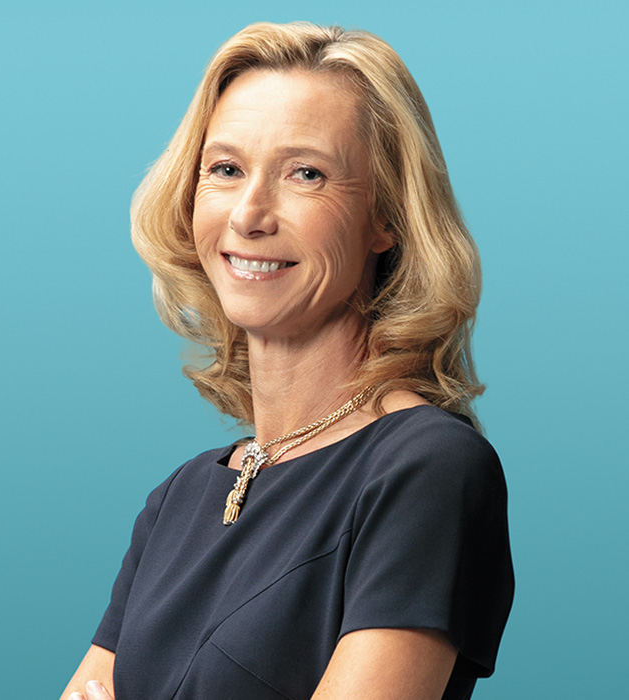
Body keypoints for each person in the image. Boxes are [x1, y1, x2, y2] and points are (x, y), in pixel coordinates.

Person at [60, 21, 514, 700]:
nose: (249, 215)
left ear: (386, 216)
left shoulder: (427, 471)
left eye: (306, 173)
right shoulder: (177, 500)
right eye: (226, 169)